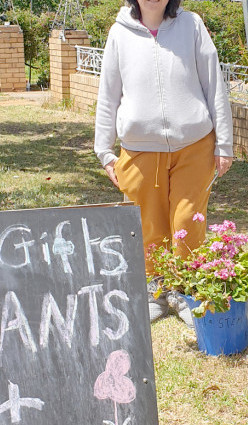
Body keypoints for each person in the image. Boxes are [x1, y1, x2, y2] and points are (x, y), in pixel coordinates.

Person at [94, 0, 234, 326]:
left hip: (195, 146)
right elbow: (108, 94)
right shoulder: (119, 34)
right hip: (139, 151)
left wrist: (224, 143)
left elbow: (215, 85)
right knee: (149, 226)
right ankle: (156, 291)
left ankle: (186, 293)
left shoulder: (192, 26)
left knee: (187, 222)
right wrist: (104, 151)